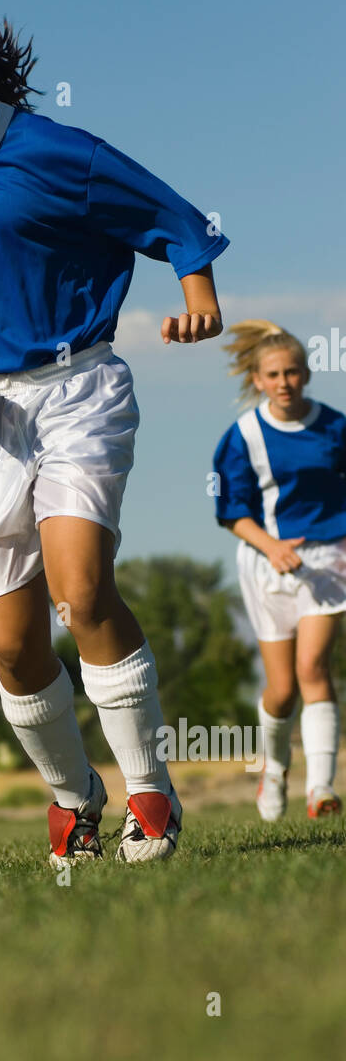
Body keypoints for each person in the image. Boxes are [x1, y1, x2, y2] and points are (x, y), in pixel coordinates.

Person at [0, 0, 229, 864]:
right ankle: (73, 797)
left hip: (78, 387)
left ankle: (149, 789)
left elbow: (175, 219)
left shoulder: (58, 151)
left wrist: (198, 300)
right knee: (15, 643)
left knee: (82, 589)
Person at [213, 322, 345, 820]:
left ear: (306, 374)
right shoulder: (243, 436)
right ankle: (273, 770)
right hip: (266, 562)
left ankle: (322, 787)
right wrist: (271, 545)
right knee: (283, 688)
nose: (285, 381)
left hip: (329, 560)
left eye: (292, 371)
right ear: (257, 378)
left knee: (314, 668)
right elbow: (231, 509)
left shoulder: (335, 427)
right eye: (274, 374)